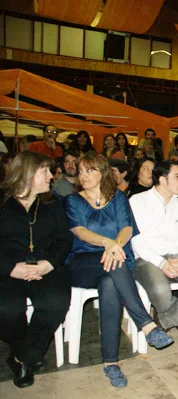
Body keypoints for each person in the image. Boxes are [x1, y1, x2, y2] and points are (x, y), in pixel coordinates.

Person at [64, 152, 173, 387]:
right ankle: (146, 324)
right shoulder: (73, 201)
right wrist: (108, 244)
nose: (82, 175)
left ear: (102, 172)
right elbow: (80, 232)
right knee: (116, 265)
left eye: (89, 170)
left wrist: (116, 245)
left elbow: (126, 228)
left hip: (117, 257)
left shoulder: (118, 198)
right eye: (80, 171)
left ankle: (110, 363)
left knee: (110, 283)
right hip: (84, 260)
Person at [0, 151, 72, 388]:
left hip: (46, 266)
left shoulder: (53, 202)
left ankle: (22, 357)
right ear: (29, 173)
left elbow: (64, 239)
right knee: (7, 309)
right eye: (46, 171)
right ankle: (29, 352)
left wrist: (49, 263)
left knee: (55, 303)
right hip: (8, 269)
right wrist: (10, 268)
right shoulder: (3, 201)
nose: (52, 176)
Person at [130, 160, 178, 335]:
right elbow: (137, 242)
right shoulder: (138, 201)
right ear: (162, 179)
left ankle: (166, 319)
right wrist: (162, 264)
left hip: (175, 256)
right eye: (177, 176)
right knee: (160, 290)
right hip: (147, 259)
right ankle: (176, 313)